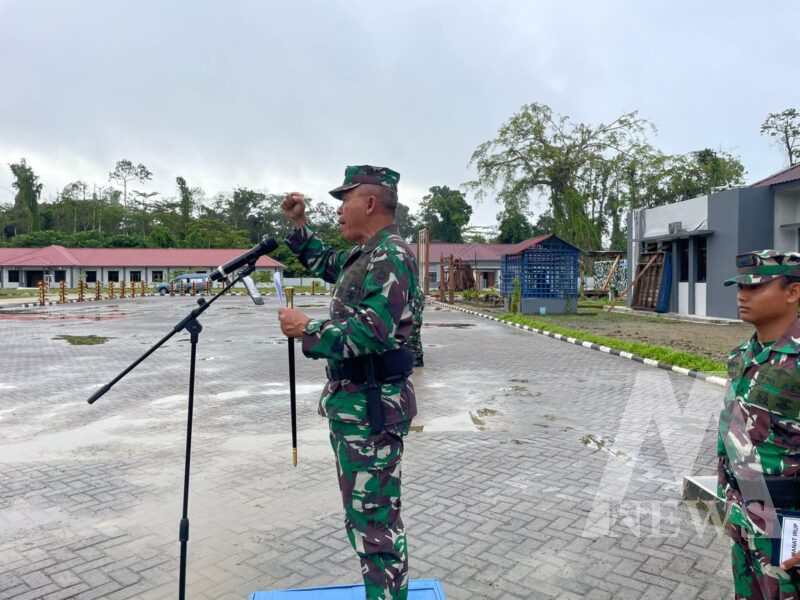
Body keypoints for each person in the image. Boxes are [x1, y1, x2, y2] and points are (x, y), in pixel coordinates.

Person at [277, 165, 420, 600]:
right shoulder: (365, 255)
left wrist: (307, 329)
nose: (338, 210)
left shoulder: (391, 255)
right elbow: (323, 261)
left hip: (372, 409)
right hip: (357, 406)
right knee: (366, 521)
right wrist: (300, 225)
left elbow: (371, 332)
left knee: (375, 528)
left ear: (371, 203)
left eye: (345, 200)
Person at [717, 250, 800, 598]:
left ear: (793, 292)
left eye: (756, 287)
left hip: (790, 527)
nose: (742, 295)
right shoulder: (743, 355)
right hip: (746, 514)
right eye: (740, 287)